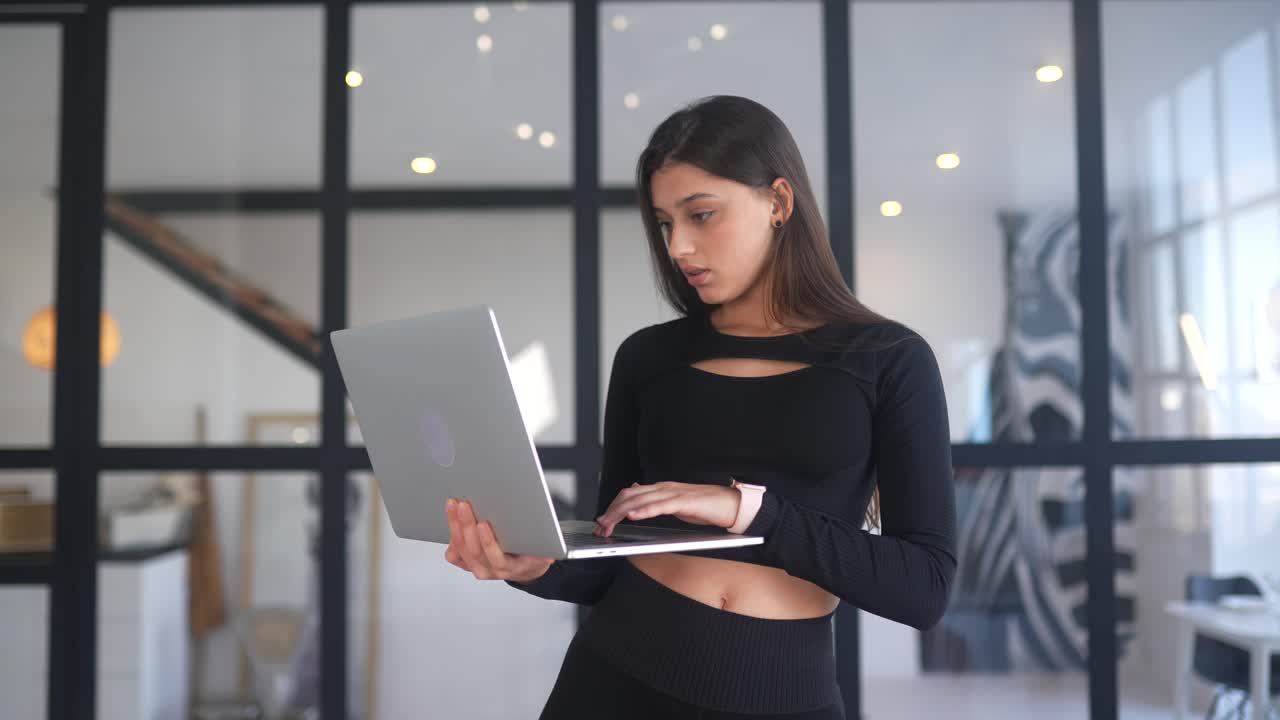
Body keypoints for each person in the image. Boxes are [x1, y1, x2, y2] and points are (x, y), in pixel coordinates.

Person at [443, 94, 957, 720]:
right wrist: (537, 566)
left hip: (785, 696)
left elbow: (923, 587)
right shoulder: (648, 358)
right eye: (664, 223)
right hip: (614, 676)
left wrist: (746, 511)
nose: (679, 246)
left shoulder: (888, 358)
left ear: (779, 202)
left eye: (702, 215)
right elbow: (612, 559)